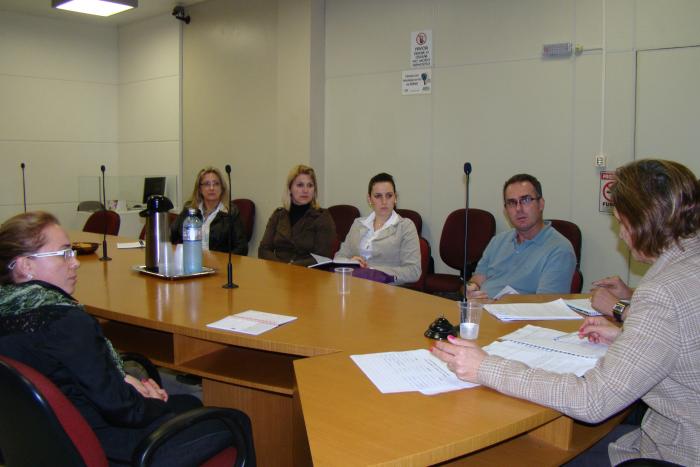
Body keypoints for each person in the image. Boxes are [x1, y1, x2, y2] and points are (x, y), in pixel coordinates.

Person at [433, 159, 700, 466]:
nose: (622, 237)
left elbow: (593, 400)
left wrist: (485, 367)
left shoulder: (661, 292)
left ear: (644, 221)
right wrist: (629, 335)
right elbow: (680, 336)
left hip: (675, 451)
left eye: (622, 224)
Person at [0, 212, 255, 466]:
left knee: (189, 401)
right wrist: (153, 401)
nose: (75, 262)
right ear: (25, 265)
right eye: (64, 253)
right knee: (235, 420)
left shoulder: (9, 312)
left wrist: (124, 377)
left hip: (52, 444)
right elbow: (125, 410)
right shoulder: (66, 322)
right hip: (113, 446)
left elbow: (76, 369)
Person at [465, 173, 576, 299]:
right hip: (480, 312)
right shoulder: (498, 241)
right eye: (512, 203)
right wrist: (470, 288)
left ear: (541, 204)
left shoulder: (560, 249)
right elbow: (477, 279)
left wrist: (496, 306)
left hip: (518, 317)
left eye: (526, 200)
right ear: (506, 210)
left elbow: (546, 307)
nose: (518, 208)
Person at [334, 172, 421, 285]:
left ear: (395, 198)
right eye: (378, 196)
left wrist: (371, 271)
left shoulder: (406, 226)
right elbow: (338, 258)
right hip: (355, 286)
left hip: (388, 290)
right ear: (369, 199)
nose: (384, 202)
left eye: (389, 195)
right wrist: (350, 262)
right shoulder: (358, 223)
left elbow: (413, 271)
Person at [258, 164, 336, 266]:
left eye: (310, 185)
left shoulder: (322, 217)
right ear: (290, 188)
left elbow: (323, 257)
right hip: (278, 272)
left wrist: (292, 267)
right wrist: (281, 267)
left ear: (314, 190)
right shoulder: (278, 215)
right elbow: (264, 250)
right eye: (300, 185)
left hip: (309, 274)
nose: (305, 190)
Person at [171, 167, 248, 255]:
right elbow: (171, 234)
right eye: (207, 184)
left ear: (222, 188)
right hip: (190, 260)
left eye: (216, 184)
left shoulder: (231, 212)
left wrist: (222, 262)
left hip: (219, 264)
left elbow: (242, 247)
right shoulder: (189, 209)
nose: (212, 188)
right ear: (200, 189)